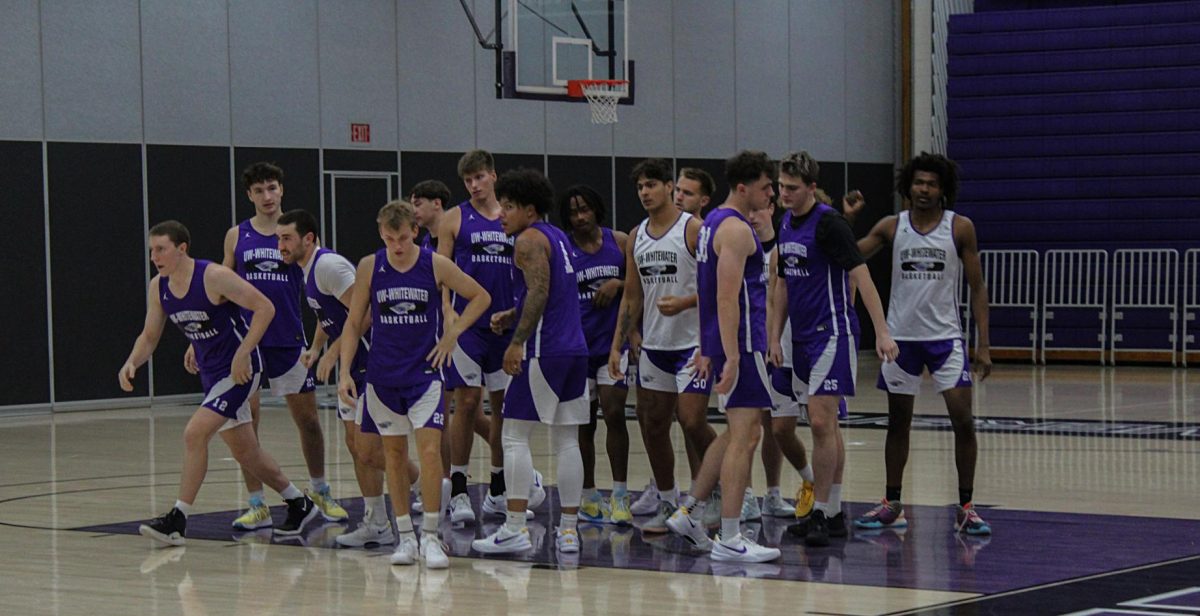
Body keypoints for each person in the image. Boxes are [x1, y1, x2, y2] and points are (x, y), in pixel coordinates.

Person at [122, 221, 317, 546]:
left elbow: (264, 308)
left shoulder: (213, 276)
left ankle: (177, 519)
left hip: (239, 370)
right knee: (246, 453)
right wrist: (131, 362)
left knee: (194, 433)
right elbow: (150, 335)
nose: (155, 256)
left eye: (161, 249)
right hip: (212, 374)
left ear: (182, 249)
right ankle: (300, 502)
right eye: (151, 250)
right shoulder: (159, 286)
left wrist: (243, 352)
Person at [338, 200, 492, 568]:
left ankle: (431, 537)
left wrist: (453, 333)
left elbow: (480, 297)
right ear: (381, 234)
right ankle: (405, 536)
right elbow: (354, 322)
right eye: (390, 239)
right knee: (392, 454)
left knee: (428, 452)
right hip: (382, 375)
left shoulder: (434, 263)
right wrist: (344, 370)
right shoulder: (370, 267)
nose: (397, 246)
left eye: (404, 238)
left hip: (425, 374)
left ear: (416, 233)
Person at [196, 162, 344, 530]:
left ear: (282, 191)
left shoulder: (298, 236)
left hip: (289, 340)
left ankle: (320, 489)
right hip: (245, 342)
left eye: (272, 189)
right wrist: (204, 335)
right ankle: (257, 503)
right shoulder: (237, 236)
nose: (267, 196)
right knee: (248, 425)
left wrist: (321, 339)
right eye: (259, 190)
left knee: (308, 420)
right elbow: (220, 286)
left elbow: (319, 290)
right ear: (249, 195)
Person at [851, 152, 993, 536]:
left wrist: (984, 344)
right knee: (898, 424)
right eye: (918, 183)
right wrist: (846, 219)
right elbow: (850, 252)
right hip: (900, 341)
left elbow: (977, 287)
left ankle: (966, 507)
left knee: (963, 422)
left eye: (931, 183)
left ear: (943, 189)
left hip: (945, 339)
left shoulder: (960, 227)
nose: (924, 189)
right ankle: (892, 504)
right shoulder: (892, 227)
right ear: (907, 187)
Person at [768, 151, 899, 547]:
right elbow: (783, 284)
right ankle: (835, 511)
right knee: (827, 426)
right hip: (803, 338)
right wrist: (775, 335)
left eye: (792, 188)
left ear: (811, 187)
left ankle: (821, 511)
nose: (784, 194)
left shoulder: (830, 223)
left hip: (834, 332)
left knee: (822, 422)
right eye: (781, 187)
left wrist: (882, 331)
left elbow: (863, 275)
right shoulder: (786, 223)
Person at [276, 210, 418, 547]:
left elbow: (365, 315)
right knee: (355, 446)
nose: (279, 245)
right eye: (278, 238)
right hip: (350, 367)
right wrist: (315, 348)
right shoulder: (308, 270)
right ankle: (377, 522)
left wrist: (334, 354)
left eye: (286, 238)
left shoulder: (329, 266)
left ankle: (426, 487)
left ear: (308, 238)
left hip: (370, 362)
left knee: (369, 449)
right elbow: (329, 316)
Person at [664, 150, 779, 563]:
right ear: (744, 187)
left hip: (728, 343)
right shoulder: (734, 229)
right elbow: (726, 296)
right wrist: (729, 354)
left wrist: (707, 346)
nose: (772, 195)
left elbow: (712, 290)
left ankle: (690, 511)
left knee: (734, 433)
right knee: (746, 437)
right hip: (744, 346)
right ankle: (730, 536)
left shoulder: (713, 224)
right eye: (767, 187)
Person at [472, 168, 588, 555]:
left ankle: (516, 527)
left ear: (529, 209)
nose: (501, 213)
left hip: (544, 351)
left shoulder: (527, 241)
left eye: (508, 206)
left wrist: (516, 341)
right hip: (574, 350)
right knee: (567, 439)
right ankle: (569, 531)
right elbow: (546, 293)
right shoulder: (557, 237)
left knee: (514, 435)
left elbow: (539, 291)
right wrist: (512, 312)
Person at [609, 159, 717, 534]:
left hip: (692, 344)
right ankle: (668, 500)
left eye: (651, 184)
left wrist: (686, 304)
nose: (644, 192)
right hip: (655, 345)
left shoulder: (694, 230)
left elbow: (718, 287)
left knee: (692, 420)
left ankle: (710, 492)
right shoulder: (636, 235)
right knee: (653, 425)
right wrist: (616, 345)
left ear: (670, 187)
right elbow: (631, 297)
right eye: (639, 186)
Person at [437, 150, 544, 524]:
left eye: (479, 177)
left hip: (505, 326)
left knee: (504, 409)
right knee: (466, 402)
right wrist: (448, 312)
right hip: (467, 326)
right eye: (468, 180)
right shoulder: (454, 219)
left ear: (493, 176)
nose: (474, 185)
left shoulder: (512, 219)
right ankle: (461, 491)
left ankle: (498, 490)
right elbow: (442, 271)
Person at [559, 185, 632, 525]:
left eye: (585, 209)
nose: (580, 216)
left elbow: (637, 286)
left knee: (615, 412)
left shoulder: (618, 241)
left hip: (613, 345)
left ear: (596, 209)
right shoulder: (564, 249)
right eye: (574, 212)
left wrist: (618, 283)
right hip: (578, 347)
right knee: (583, 425)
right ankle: (588, 495)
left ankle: (619, 494)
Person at [743, 195, 812, 522]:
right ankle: (747, 496)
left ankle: (785, 490)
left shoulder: (790, 246)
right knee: (750, 426)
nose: (753, 216)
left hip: (797, 348)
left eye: (758, 209)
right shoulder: (741, 249)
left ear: (772, 208)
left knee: (780, 429)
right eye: (748, 211)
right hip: (757, 349)